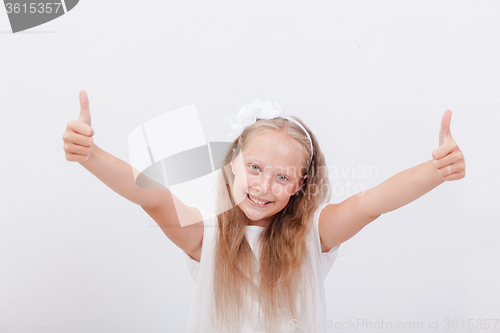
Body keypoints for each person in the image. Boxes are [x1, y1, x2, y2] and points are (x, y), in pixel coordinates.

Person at [63, 91, 466, 333]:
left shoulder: (315, 235)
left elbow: (372, 203)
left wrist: (436, 170)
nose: (263, 186)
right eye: (255, 168)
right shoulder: (207, 237)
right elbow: (153, 197)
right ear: (233, 163)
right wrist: (91, 155)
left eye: (281, 177)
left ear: (299, 186)